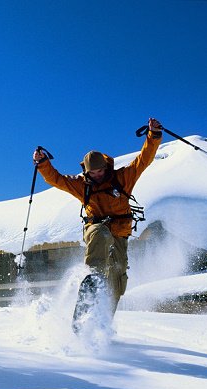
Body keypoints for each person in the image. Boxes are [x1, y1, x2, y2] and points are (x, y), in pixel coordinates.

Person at [32, 118, 163, 329]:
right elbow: (57, 179)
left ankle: (102, 322)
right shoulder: (81, 185)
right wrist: (42, 164)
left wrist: (153, 135)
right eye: (92, 173)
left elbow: (143, 160)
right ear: (86, 171)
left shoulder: (122, 178)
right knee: (101, 234)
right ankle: (93, 276)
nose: (97, 175)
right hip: (95, 228)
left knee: (117, 277)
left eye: (100, 171)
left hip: (120, 233)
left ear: (106, 167)